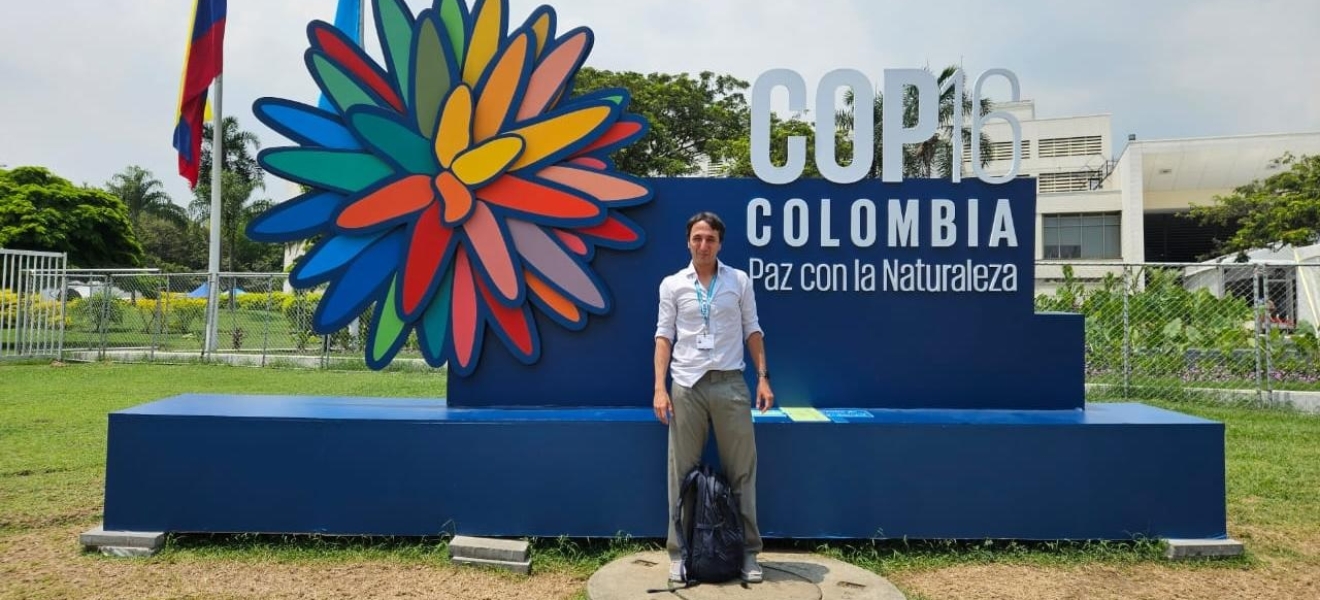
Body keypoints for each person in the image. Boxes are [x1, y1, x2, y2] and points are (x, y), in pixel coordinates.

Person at [653, 211, 774, 584]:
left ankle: (749, 553)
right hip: (686, 385)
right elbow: (664, 336)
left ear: (720, 243)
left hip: (730, 383)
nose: (703, 245)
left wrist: (763, 379)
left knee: (742, 470)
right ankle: (680, 554)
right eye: (697, 238)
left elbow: (753, 329)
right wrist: (660, 387)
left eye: (710, 239)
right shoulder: (672, 285)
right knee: (681, 472)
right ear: (688, 241)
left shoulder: (738, 281)